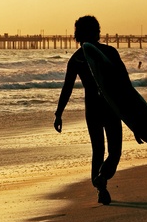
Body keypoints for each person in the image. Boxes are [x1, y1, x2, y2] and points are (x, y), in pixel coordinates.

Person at [54, 15, 131, 205]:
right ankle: (102, 177)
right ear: (97, 32)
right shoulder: (110, 52)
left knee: (98, 150)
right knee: (115, 152)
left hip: (93, 110)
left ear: (76, 34)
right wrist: (135, 119)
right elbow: (125, 86)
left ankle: (100, 187)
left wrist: (59, 113)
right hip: (111, 107)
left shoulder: (76, 59)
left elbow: (67, 88)